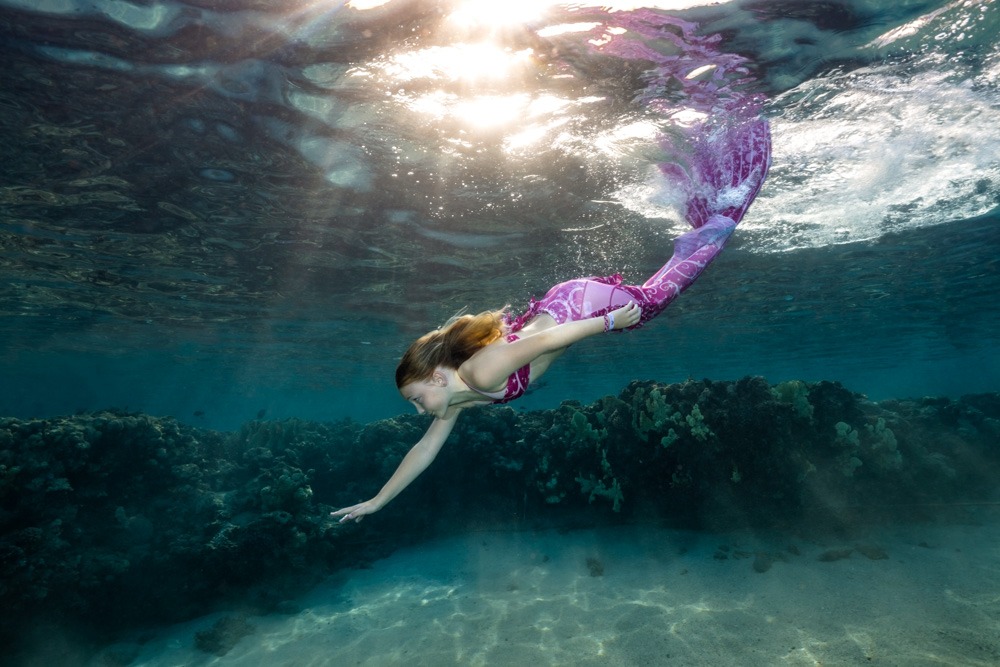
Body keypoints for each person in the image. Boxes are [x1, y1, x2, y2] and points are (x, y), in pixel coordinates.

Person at [331, 117, 771, 523]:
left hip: (576, 308)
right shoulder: (459, 397)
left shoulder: (478, 371)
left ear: (437, 378)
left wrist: (610, 323)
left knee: (649, 305)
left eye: (416, 397)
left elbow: (543, 343)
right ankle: (700, 218)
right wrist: (376, 502)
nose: (416, 409)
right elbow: (423, 450)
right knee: (650, 301)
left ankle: (719, 215)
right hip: (565, 304)